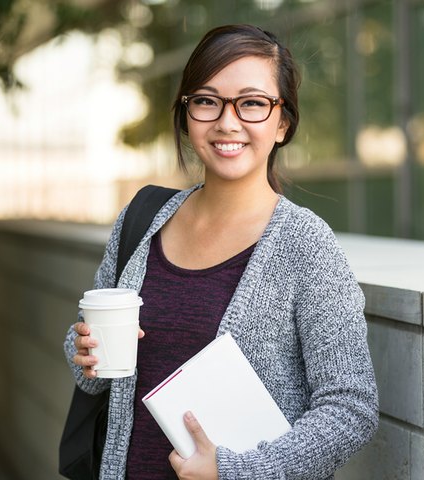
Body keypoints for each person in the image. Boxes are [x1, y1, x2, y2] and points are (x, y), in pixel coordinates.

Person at [63, 24, 378, 480]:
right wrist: (84, 351)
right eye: (207, 101)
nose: (227, 122)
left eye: (252, 103)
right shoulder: (142, 220)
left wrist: (235, 470)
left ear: (283, 122)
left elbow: (351, 407)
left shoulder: (307, 246)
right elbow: (90, 367)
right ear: (187, 114)